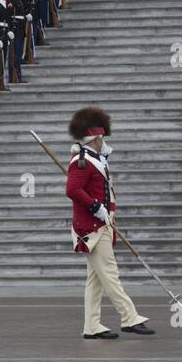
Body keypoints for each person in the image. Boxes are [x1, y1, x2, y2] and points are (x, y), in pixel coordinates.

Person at [65, 107, 153, 340]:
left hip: (101, 224)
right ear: (94, 138)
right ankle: (129, 317)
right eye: (102, 137)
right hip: (91, 227)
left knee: (95, 280)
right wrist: (96, 207)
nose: (104, 141)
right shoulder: (82, 162)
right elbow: (72, 190)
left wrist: (107, 212)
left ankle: (91, 326)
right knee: (110, 273)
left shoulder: (94, 160)